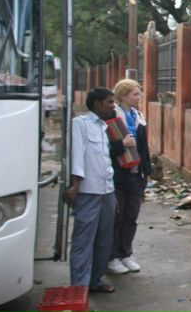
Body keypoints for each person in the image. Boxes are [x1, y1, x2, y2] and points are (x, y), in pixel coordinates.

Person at [64, 87, 135, 294]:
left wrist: (112, 193)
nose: (113, 106)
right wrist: (75, 185)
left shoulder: (104, 128)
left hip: (107, 192)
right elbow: (77, 156)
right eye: (109, 102)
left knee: (105, 241)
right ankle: (80, 288)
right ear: (97, 104)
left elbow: (105, 163)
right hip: (88, 192)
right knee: (83, 241)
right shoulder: (81, 125)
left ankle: (95, 280)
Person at [107, 79, 152, 275]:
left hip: (136, 172)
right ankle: (112, 256)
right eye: (135, 94)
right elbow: (106, 147)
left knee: (131, 216)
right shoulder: (112, 116)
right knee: (117, 215)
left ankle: (126, 253)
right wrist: (122, 145)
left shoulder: (138, 115)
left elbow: (143, 146)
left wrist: (146, 172)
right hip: (118, 173)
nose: (138, 98)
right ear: (124, 95)